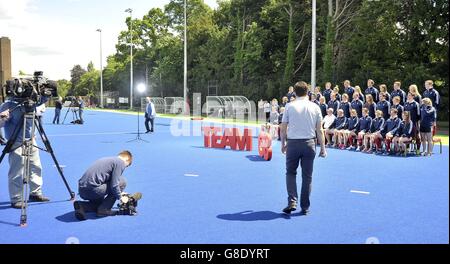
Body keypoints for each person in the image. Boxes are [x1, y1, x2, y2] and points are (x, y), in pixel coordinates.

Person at [280, 81, 326, 216]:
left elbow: (283, 128)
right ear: (308, 92)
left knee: (290, 172)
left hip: (293, 143)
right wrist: (323, 148)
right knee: (307, 177)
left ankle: (292, 201)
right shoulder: (315, 107)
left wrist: (283, 143)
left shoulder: (289, 106)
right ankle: (305, 206)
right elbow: (320, 130)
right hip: (309, 143)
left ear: (294, 92)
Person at [0, 96, 50, 208]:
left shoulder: (33, 103)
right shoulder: (9, 104)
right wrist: (2, 118)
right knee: (17, 171)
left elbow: (43, 102)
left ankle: (35, 193)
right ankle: (16, 198)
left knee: (36, 167)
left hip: (31, 140)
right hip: (16, 142)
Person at [74, 151, 139, 220]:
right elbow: (114, 185)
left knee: (99, 204)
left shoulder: (107, 160)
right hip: (93, 190)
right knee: (122, 181)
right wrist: (121, 197)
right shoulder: (120, 162)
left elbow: (107, 179)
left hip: (83, 191)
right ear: (126, 159)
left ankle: (81, 206)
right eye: (127, 165)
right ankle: (104, 210)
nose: (124, 167)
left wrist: (120, 192)